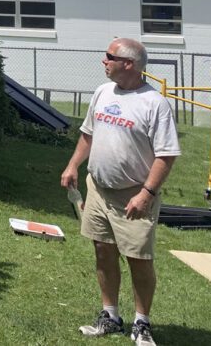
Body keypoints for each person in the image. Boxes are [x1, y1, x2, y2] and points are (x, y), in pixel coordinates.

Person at [61, 37, 181, 345]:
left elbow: (166, 155)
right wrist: (73, 165)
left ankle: (142, 323)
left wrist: (147, 195)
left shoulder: (155, 104)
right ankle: (110, 316)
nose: (104, 61)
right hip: (98, 189)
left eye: (109, 57)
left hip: (134, 195)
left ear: (128, 64)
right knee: (102, 250)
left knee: (138, 258)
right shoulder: (103, 92)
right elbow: (88, 134)